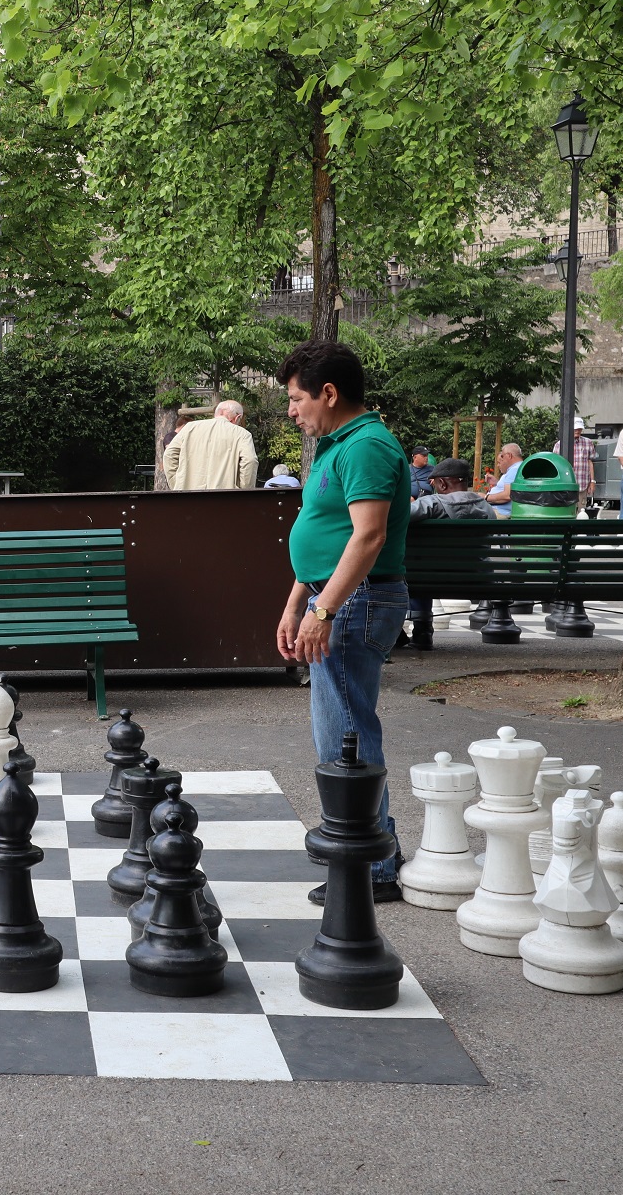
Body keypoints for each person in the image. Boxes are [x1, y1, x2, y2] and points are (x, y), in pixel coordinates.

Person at [272, 341, 409, 903]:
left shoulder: (367, 446)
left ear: (329, 394)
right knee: (340, 729)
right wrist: (297, 600)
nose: (290, 410)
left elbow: (369, 536)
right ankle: (374, 850)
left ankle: (369, 867)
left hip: (357, 602)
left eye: (296, 398)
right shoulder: (338, 446)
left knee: (346, 733)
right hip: (337, 598)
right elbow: (323, 535)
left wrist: (324, 609)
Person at [402, 457, 495, 650]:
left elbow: (397, 517)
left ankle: (419, 631)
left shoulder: (431, 504)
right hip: (477, 578)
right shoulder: (486, 507)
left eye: (434, 483)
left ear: (442, 483)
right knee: (420, 572)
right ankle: (420, 634)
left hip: (428, 578)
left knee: (408, 574)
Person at [161, 400, 258, 490]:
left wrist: (177, 484)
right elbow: (250, 461)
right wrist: (245, 490)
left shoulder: (189, 428)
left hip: (188, 498)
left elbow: (169, 455)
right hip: (226, 499)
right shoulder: (242, 434)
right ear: (237, 418)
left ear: (217, 413)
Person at [553, 417, 597, 507]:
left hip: (582, 484)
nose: (578, 431)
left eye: (579, 429)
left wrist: (592, 481)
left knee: (581, 511)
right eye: (576, 429)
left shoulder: (588, 443)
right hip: (565, 486)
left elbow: (590, 462)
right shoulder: (559, 445)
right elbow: (555, 465)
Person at [485, 442, 523, 517]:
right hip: (497, 510)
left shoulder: (514, 469)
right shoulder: (519, 467)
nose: (501, 458)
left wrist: (485, 497)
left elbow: (508, 495)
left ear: (509, 455)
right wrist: (497, 483)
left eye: (502, 456)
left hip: (499, 512)